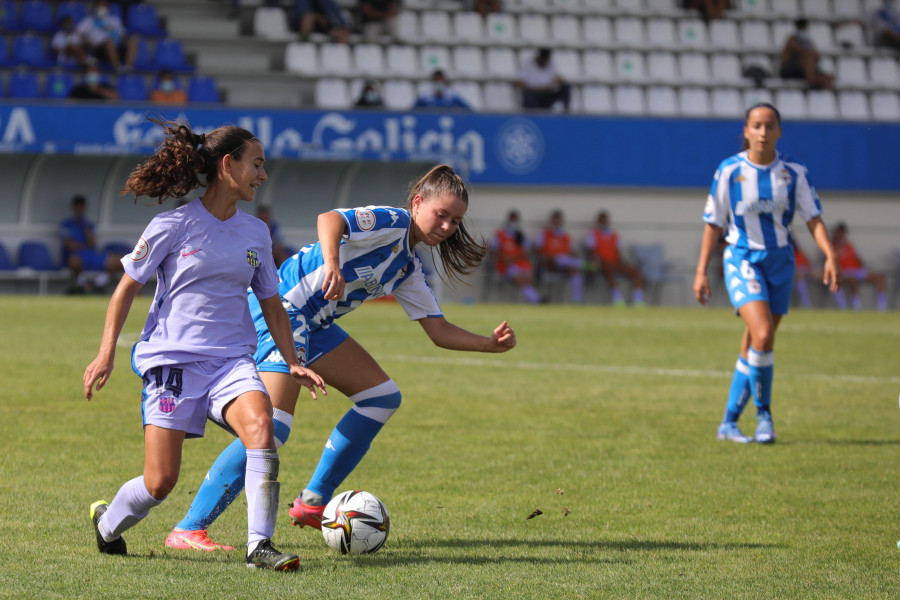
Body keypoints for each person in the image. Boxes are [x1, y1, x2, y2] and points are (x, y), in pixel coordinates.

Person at [162, 165, 517, 550]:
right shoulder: (392, 222)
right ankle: (189, 528)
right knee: (272, 428)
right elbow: (330, 219)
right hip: (281, 310)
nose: (447, 226)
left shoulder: (407, 267)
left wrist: (488, 344)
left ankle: (313, 502)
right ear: (417, 204)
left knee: (381, 397)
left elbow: (438, 330)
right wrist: (332, 262)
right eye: (441, 214)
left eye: (455, 220)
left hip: (315, 324)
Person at [83, 117, 326, 570]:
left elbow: (272, 304)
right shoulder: (170, 226)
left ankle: (260, 547)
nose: (263, 175)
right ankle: (108, 524)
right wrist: (105, 353)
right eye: (256, 164)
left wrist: (290, 361)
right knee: (160, 483)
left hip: (232, 361)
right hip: (173, 363)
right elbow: (125, 290)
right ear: (227, 165)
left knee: (261, 428)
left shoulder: (256, 233)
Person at [693, 103, 841, 445]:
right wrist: (701, 271)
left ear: (779, 131)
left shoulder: (793, 173)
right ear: (746, 131)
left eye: (769, 125)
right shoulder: (729, 170)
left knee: (757, 342)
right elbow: (713, 223)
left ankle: (728, 423)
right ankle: (764, 417)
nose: (762, 132)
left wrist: (830, 255)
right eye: (756, 126)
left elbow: (813, 218)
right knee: (762, 334)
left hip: (781, 262)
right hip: (742, 257)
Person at [60, 194, 123, 294]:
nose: (80, 209)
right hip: (75, 255)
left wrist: (86, 229)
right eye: (78, 207)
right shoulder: (67, 224)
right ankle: (82, 284)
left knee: (121, 260)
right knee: (73, 261)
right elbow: (70, 245)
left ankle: (98, 283)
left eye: (82, 207)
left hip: (90, 254)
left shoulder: (89, 225)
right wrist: (83, 246)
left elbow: (93, 244)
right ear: (74, 208)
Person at [584, 210, 645, 307]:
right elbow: (591, 252)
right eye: (601, 220)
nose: (603, 222)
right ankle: (618, 299)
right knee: (609, 270)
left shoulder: (614, 235)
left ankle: (638, 301)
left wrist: (624, 263)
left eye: (605, 220)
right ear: (598, 221)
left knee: (635, 272)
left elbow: (618, 252)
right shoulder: (593, 234)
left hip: (615, 262)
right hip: (601, 263)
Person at [830, 222, 888, 311]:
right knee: (851, 279)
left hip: (856, 270)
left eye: (841, 232)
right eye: (838, 232)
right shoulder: (831, 247)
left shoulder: (849, 245)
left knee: (880, 277)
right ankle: (857, 307)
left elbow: (859, 259)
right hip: (844, 272)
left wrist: (866, 268)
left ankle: (882, 307)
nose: (839, 234)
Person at [490, 210, 542, 304]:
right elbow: (494, 250)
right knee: (521, 278)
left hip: (520, 265)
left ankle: (536, 300)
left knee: (526, 278)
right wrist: (505, 258)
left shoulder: (520, 235)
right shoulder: (500, 234)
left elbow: (527, 251)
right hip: (506, 267)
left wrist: (513, 258)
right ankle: (537, 300)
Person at [534, 209, 584, 303]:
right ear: (551, 220)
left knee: (575, 271)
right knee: (556, 258)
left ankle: (577, 301)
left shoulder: (565, 236)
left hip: (564, 266)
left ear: (561, 221)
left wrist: (567, 256)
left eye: (558, 220)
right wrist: (550, 256)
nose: (556, 222)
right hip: (549, 264)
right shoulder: (544, 233)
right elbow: (538, 250)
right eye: (554, 219)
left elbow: (573, 252)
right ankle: (584, 264)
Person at [74, 0, 138, 72]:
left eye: (104, 5)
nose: (102, 7)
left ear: (108, 7)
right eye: (100, 5)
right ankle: (117, 68)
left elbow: (123, 35)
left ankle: (128, 67)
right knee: (108, 41)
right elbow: (77, 33)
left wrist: (125, 39)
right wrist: (87, 41)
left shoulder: (115, 20)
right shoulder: (89, 21)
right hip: (99, 51)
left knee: (133, 40)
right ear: (96, 7)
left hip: (117, 48)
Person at [778, 18, 833, 90]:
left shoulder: (808, 41)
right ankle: (811, 80)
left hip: (803, 72)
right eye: (801, 27)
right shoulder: (791, 39)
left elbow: (817, 57)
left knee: (829, 78)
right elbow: (802, 51)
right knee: (807, 58)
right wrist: (810, 52)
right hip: (789, 70)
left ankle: (823, 97)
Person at [517, 48, 571, 112]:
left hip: (547, 93)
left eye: (545, 60)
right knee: (527, 93)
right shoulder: (528, 64)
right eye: (542, 60)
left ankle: (566, 112)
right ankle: (534, 114)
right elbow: (519, 82)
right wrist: (534, 88)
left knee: (566, 86)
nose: (544, 62)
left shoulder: (551, 63)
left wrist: (554, 82)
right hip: (534, 93)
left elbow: (558, 78)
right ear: (538, 57)